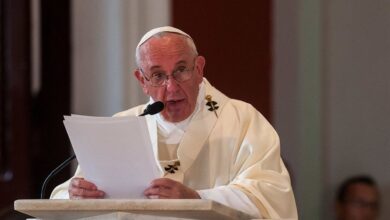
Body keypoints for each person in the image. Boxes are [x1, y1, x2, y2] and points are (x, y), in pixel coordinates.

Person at [51, 26, 297, 219]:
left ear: (199, 68)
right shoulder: (122, 126)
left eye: (181, 70)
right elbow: (64, 196)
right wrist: (76, 195)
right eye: (158, 75)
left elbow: (269, 194)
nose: (172, 87)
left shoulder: (242, 120)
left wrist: (197, 198)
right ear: (141, 80)